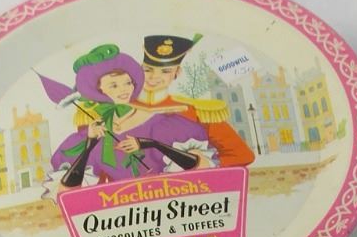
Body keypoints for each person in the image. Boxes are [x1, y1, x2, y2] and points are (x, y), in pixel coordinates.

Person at [50, 38, 254, 184]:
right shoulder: (98, 117)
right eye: (147, 69)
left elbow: (240, 155)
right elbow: (97, 174)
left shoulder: (193, 111)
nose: (154, 78)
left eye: (165, 71)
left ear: (177, 72)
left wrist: (197, 175)